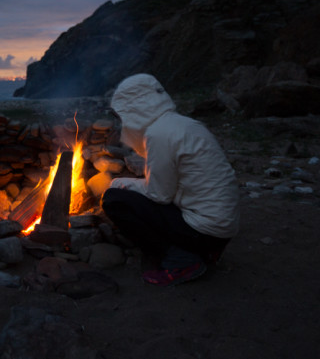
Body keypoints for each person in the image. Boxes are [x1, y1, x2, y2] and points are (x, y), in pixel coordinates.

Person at [101, 73, 239, 286]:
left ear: (133, 109)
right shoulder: (182, 124)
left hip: (205, 229)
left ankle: (182, 260)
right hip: (222, 227)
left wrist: (122, 183)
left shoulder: (159, 134)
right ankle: (204, 251)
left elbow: (160, 195)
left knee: (114, 200)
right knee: (132, 193)